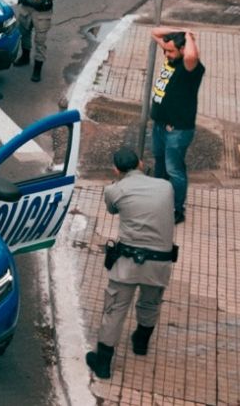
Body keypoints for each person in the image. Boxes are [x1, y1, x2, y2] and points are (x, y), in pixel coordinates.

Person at [84, 147, 177, 380]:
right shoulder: (166, 187)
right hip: (160, 263)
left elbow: (113, 209)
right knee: (150, 303)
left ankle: (103, 364)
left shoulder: (114, 190)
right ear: (141, 163)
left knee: (115, 309)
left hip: (127, 262)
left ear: (116, 169)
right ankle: (141, 344)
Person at [148, 27, 204, 225]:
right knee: (160, 164)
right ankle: (157, 200)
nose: (166, 53)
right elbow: (155, 32)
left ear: (182, 49)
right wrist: (181, 30)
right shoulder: (173, 56)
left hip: (177, 130)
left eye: (171, 51)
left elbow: (191, 54)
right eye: (166, 51)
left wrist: (188, 36)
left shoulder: (190, 67)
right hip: (160, 126)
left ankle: (176, 209)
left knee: (175, 170)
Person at [13, 0, 59, 83]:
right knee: (24, 33)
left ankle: (37, 68)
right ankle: (25, 57)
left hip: (41, 11)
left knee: (40, 40)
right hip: (27, 8)